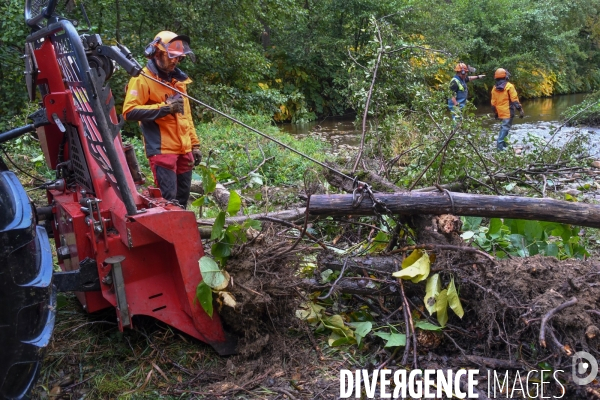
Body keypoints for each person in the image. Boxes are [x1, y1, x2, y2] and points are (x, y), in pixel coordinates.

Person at [123, 31, 202, 208]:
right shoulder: (142, 79)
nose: (176, 61)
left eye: (179, 58)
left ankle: (182, 232)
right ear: (157, 53)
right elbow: (129, 112)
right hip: (162, 150)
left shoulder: (178, 81)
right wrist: (165, 108)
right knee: (168, 202)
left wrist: (194, 145)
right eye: (172, 57)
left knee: (182, 200)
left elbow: (186, 116)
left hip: (184, 150)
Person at [491, 68, 524, 151]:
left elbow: (493, 103)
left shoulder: (494, 88)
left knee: (504, 128)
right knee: (505, 128)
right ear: (505, 76)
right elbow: (514, 100)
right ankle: (500, 146)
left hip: (500, 112)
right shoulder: (509, 86)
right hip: (508, 112)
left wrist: (496, 113)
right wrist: (520, 109)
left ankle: (505, 146)